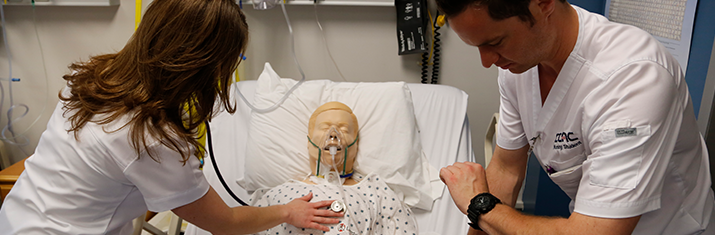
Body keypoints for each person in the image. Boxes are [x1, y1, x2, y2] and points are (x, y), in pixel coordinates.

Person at [0, 0, 343, 234]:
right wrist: (288, 211)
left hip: (16, 219)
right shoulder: (150, 141)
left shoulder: (96, 75)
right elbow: (224, 222)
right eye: (233, 58)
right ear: (204, 64)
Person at [436, 0, 715, 234]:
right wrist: (481, 214)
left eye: (495, 42)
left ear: (543, 4)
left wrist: (481, 205)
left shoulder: (633, 78)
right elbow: (506, 169)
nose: (487, 61)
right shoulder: (517, 65)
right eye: (478, 46)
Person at [249, 101, 418, 234]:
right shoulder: (277, 197)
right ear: (309, 142)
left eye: (344, 129)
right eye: (324, 127)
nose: (333, 133)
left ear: (356, 143)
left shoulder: (378, 193)